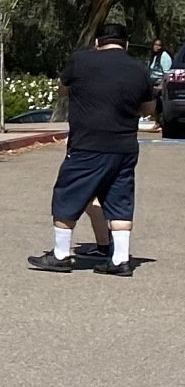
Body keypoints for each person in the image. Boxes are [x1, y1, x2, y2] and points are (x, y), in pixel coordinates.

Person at [27, 23, 161, 275]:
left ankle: (61, 254)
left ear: (97, 42)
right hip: (124, 148)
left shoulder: (80, 61)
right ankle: (120, 260)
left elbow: (62, 90)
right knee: (120, 201)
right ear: (126, 45)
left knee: (69, 193)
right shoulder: (139, 70)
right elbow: (148, 109)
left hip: (87, 144)